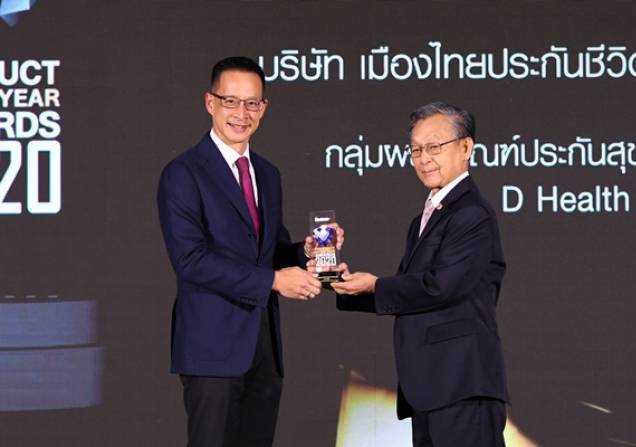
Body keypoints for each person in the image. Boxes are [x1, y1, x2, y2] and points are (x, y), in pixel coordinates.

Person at [157, 56, 341, 447]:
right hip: (211, 351)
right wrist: (274, 281)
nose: (242, 113)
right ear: (210, 102)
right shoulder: (183, 173)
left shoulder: (268, 174)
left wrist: (306, 251)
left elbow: (270, 250)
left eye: (252, 103)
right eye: (231, 101)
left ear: (264, 108)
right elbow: (191, 261)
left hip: (263, 350)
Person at [331, 102, 509, 446]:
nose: (423, 158)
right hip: (431, 387)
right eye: (416, 149)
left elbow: (440, 286)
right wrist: (346, 286)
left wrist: (376, 286)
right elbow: (410, 291)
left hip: (461, 384)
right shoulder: (425, 217)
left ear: (466, 147)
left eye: (434, 147)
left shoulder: (472, 213)